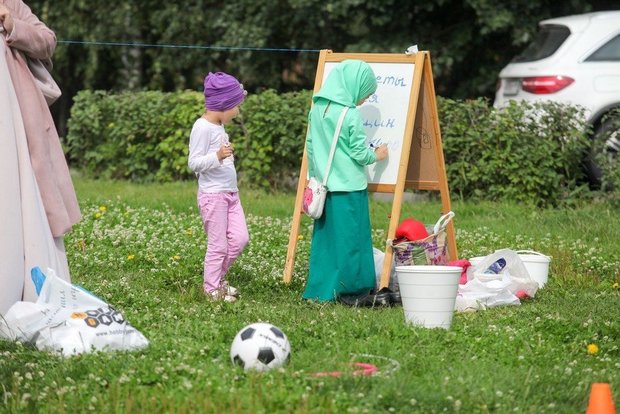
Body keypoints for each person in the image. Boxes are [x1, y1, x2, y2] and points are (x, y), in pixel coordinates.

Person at [0, 0, 81, 315]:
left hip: (16, 126)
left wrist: (11, 23)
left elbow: (47, 41)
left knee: (20, 196)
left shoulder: (10, 4)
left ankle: (25, 286)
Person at [303, 59, 389, 306]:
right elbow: (359, 153)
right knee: (353, 240)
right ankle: (352, 289)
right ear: (354, 86)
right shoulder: (350, 114)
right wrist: (377, 155)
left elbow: (311, 147)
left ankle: (321, 289)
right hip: (349, 188)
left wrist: (313, 177)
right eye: (365, 94)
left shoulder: (317, 109)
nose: (364, 100)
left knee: (326, 241)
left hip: (323, 187)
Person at [188, 72, 250, 302]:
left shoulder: (219, 126)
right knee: (218, 246)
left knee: (240, 239)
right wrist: (217, 156)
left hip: (231, 194)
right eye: (236, 106)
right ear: (223, 104)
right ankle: (212, 288)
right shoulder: (202, 127)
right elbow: (194, 163)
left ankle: (216, 279)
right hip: (213, 196)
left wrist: (224, 155)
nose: (237, 112)